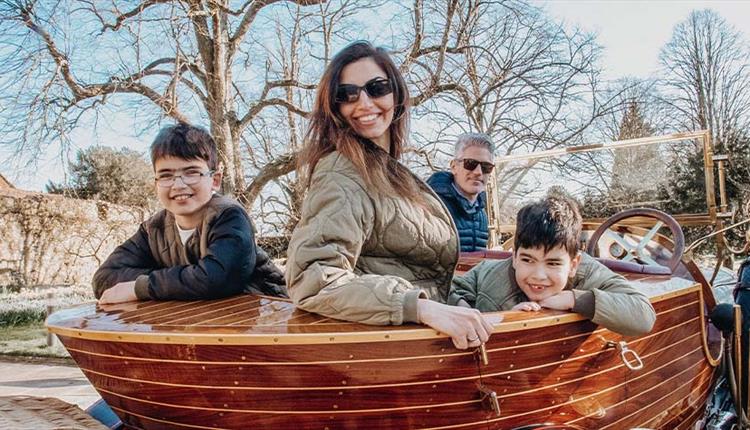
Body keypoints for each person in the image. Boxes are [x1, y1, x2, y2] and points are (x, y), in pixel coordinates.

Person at [286, 41, 495, 350]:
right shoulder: (342, 171)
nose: (364, 102)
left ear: (396, 94)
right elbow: (313, 277)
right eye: (347, 94)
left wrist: (457, 303)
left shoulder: (385, 169)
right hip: (397, 349)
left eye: (376, 87)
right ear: (335, 107)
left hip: (430, 338)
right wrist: (420, 307)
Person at [92, 123, 287, 304]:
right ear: (156, 184)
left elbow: (217, 279)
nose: (178, 185)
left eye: (192, 172)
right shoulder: (153, 230)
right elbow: (104, 279)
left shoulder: (230, 216)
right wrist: (180, 280)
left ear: (215, 180)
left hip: (267, 316)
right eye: (166, 175)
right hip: (199, 323)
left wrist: (142, 286)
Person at [448, 195, 656, 336]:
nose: (539, 275)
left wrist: (575, 299)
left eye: (553, 263)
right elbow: (450, 291)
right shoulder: (488, 273)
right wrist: (486, 316)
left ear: (574, 264)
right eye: (527, 260)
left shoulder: (589, 273)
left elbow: (644, 315)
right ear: (514, 258)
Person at [427, 133, 493, 252]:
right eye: (470, 164)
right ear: (454, 167)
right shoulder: (432, 206)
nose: (478, 172)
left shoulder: (482, 214)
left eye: (486, 166)